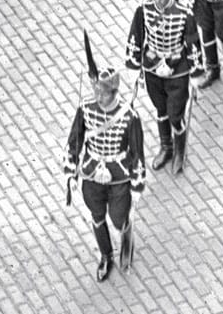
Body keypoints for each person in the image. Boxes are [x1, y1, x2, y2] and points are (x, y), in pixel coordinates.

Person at [63, 61, 146, 282]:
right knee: (97, 216)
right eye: (96, 91)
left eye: (103, 93)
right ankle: (106, 255)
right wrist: (71, 171)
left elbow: (137, 152)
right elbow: (75, 139)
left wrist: (137, 185)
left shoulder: (129, 116)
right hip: (92, 173)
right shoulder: (86, 108)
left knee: (118, 218)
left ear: (114, 91)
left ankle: (125, 229)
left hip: (119, 175)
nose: (99, 97)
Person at [125, 0, 198, 175]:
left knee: (176, 114)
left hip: (177, 71)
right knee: (161, 109)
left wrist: (195, 72)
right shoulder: (144, 11)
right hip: (153, 68)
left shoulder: (184, 14)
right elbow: (136, 39)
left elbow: (192, 44)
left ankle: (179, 151)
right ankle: (166, 146)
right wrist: (135, 67)